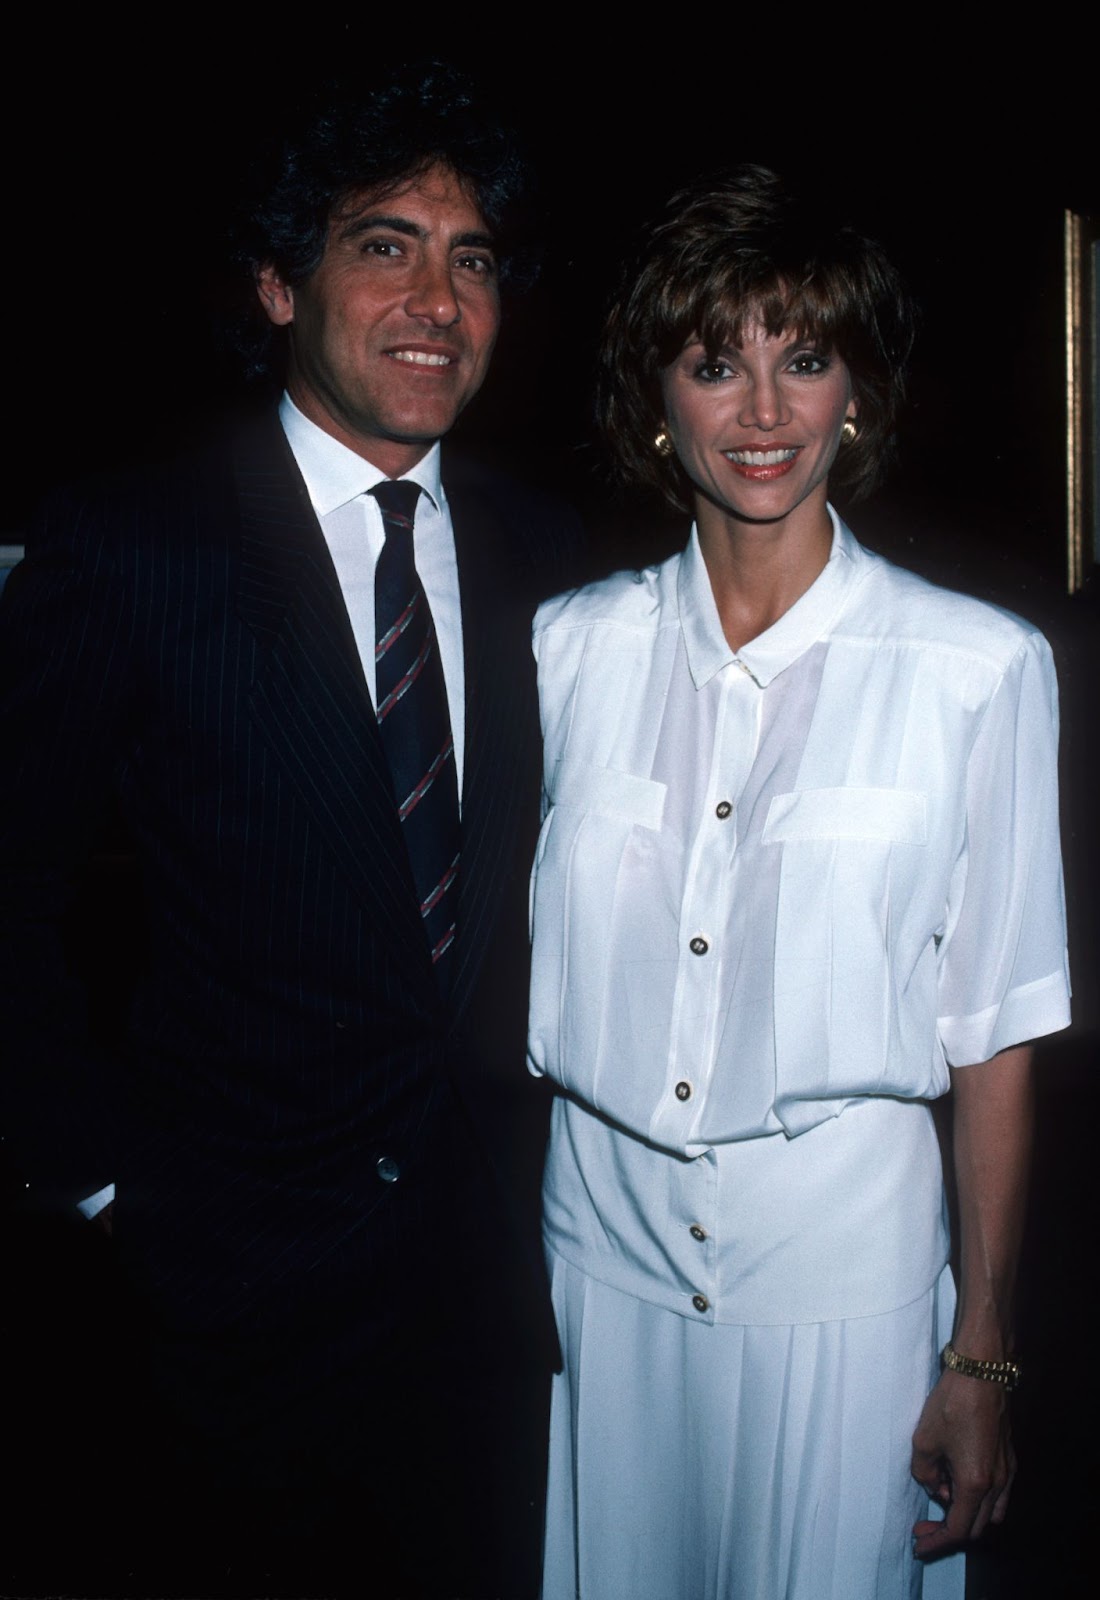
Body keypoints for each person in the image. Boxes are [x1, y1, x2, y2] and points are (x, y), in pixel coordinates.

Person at [0, 63, 579, 1598]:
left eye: (472, 259)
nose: (435, 300)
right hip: (224, 1312)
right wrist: (107, 1186)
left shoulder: (557, 563)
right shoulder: (136, 544)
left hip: (497, 1301)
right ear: (278, 283)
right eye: (383, 245)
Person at [527, 166, 1070, 1600]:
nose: (764, 412)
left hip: (853, 1295)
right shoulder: (565, 651)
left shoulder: (979, 670)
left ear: (860, 395)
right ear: (659, 400)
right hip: (605, 1280)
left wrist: (984, 1353)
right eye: (717, 364)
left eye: (805, 358)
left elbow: (997, 1036)